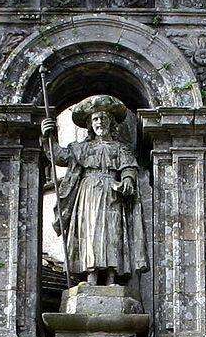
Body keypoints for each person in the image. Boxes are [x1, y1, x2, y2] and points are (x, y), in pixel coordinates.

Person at [40, 94, 149, 287]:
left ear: (111, 122)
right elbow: (59, 156)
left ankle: (111, 277)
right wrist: (49, 135)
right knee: (89, 233)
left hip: (112, 194)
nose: (100, 122)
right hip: (87, 194)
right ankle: (90, 276)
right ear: (90, 124)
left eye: (103, 118)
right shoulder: (81, 148)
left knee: (112, 233)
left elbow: (128, 168)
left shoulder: (120, 149)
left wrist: (127, 180)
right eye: (95, 119)